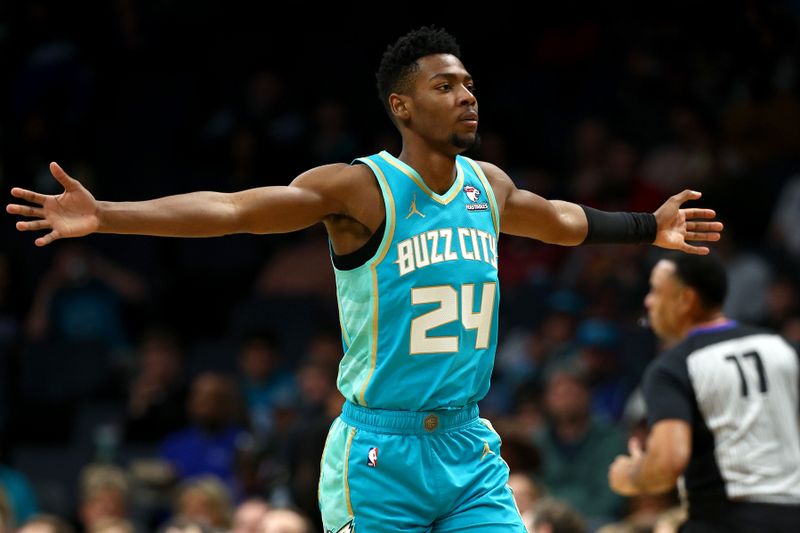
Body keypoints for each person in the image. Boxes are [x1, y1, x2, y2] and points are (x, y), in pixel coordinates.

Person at [7, 26, 722, 533]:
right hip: (379, 451)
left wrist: (646, 226)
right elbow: (231, 210)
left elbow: (564, 221)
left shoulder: (488, 187)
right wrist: (105, 215)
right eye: (445, 85)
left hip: (469, 445)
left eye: (470, 83)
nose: (467, 95)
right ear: (402, 106)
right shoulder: (361, 188)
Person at [608, 253, 800, 532]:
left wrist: (631, 475)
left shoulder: (673, 366)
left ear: (686, 299)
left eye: (657, 291)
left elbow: (667, 462)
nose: (648, 301)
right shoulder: (783, 347)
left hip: (724, 519)